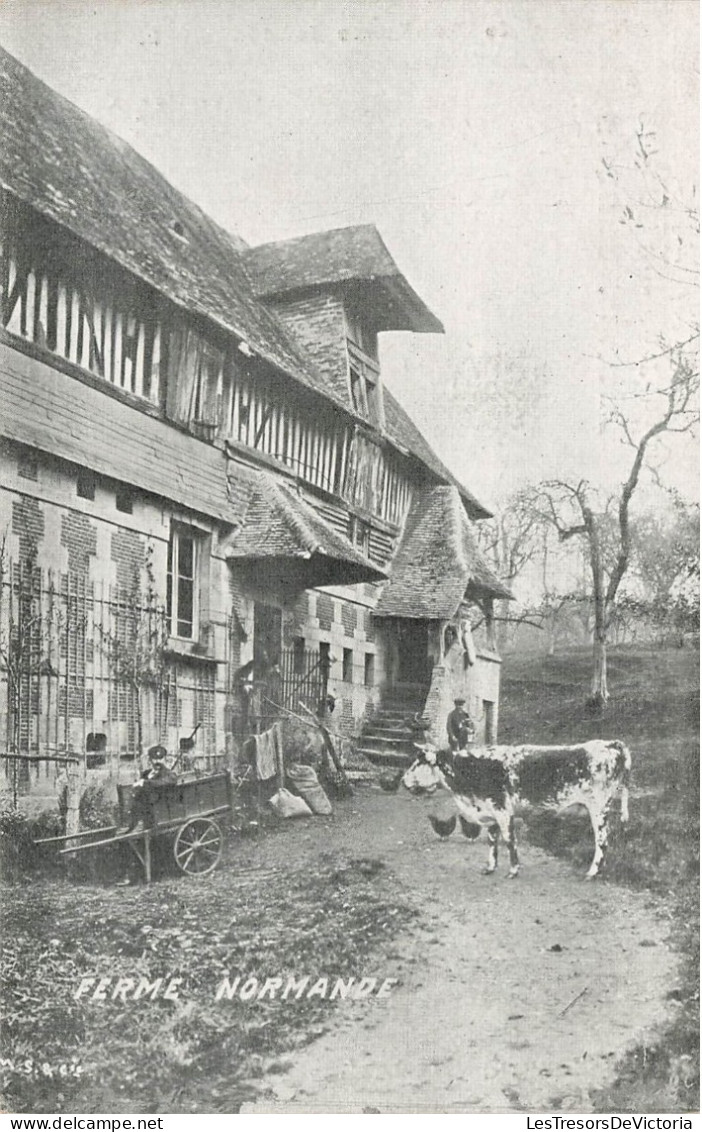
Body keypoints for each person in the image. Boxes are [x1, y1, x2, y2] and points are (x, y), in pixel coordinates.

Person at [122, 744, 177, 833]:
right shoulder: (146, 773)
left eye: (160, 759)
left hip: (158, 807)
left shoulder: (169, 774)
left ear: (165, 759)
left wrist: (146, 783)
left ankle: (138, 824)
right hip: (144, 805)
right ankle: (133, 823)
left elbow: (168, 782)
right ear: (150, 760)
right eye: (154, 759)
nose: (157, 762)